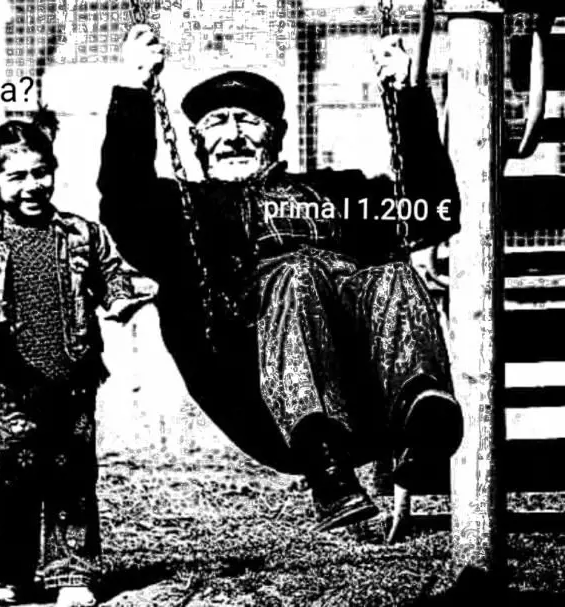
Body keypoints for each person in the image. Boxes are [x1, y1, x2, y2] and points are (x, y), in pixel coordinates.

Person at [98, 25, 464, 533]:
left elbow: (433, 212)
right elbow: (124, 205)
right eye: (216, 123)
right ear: (196, 140)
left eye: (248, 121)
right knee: (297, 272)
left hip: (359, 382)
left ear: (277, 134)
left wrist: (407, 95)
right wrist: (134, 89)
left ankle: (419, 416)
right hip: (251, 378)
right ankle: (325, 462)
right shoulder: (183, 210)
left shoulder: (336, 193)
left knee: (392, 273)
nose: (233, 134)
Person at [0, 111, 157, 606]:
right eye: (17, 176)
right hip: (14, 387)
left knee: (72, 477)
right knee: (18, 478)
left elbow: (110, 275)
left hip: (73, 380)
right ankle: (10, 573)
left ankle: (72, 575)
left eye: (40, 172)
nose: (32, 186)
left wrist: (121, 298)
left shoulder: (81, 233)